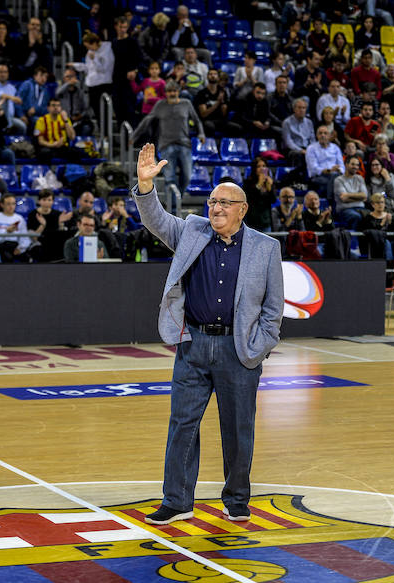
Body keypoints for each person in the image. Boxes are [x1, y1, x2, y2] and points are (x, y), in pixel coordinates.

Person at [132, 142, 283, 526]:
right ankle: (177, 500)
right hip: (194, 345)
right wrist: (146, 186)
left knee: (238, 430)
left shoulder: (266, 248)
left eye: (224, 203)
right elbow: (157, 220)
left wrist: (259, 346)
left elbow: (273, 308)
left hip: (239, 350)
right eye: (212, 201)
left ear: (242, 210)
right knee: (182, 425)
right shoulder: (192, 231)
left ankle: (237, 499)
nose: (215, 208)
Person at [131, 80, 204, 196]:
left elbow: (197, 120)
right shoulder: (160, 105)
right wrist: (134, 136)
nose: (172, 93)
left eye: (174, 91)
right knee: (169, 179)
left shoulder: (186, 104)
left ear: (178, 92)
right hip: (166, 145)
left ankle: (177, 199)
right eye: (169, 91)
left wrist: (201, 134)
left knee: (188, 177)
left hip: (184, 144)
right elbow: (147, 120)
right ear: (165, 93)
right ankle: (173, 205)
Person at [26, 189, 72, 262]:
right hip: (39, 243)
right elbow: (34, 238)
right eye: (44, 200)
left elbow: (61, 235)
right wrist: (42, 225)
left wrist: (61, 223)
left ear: (53, 201)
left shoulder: (58, 214)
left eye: (49, 200)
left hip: (54, 243)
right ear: (39, 201)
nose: (47, 202)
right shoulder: (32, 215)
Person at [0, 63, 25, 134]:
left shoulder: (12, 88)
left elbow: (17, 103)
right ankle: (8, 127)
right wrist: (12, 98)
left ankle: (11, 131)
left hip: (10, 117)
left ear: (8, 74)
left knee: (22, 127)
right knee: (5, 99)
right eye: (0, 72)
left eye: (5, 72)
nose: (3, 74)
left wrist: (21, 115)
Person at [34, 97, 78, 162]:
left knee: (75, 152)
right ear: (48, 108)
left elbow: (72, 137)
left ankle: (71, 168)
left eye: (58, 105)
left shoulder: (65, 119)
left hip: (62, 147)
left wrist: (66, 121)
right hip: (48, 146)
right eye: (53, 105)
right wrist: (53, 145)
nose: (56, 108)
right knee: (44, 153)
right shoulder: (41, 120)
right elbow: (40, 141)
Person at [305, 125, 344, 197]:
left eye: (325, 133)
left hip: (335, 175)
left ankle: (332, 200)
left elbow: (342, 166)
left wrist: (338, 169)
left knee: (338, 178)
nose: (323, 135)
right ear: (317, 136)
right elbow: (313, 168)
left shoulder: (335, 148)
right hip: (319, 177)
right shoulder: (311, 148)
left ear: (329, 136)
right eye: (320, 133)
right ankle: (332, 200)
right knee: (336, 181)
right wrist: (329, 170)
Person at [0, 193, 32, 262]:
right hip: (1, 246)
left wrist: (20, 248)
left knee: (28, 258)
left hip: (15, 246)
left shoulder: (19, 218)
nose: (11, 206)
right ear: (2, 205)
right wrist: (6, 232)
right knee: (7, 257)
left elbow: (25, 238)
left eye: (13, 204)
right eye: (8, 204)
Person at [333, 156, 369, 230]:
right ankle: (353, 237)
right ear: (346, 165)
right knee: (356, 217)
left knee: (372, 216)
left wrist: (348, 195)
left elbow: (365, 196)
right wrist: (360, 198)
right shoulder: (338, 180)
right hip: (345, 210)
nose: (355, 167)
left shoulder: (360, 178)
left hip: (361, 208)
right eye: (353, 164)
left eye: (357, 165)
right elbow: (344, 199)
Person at [57, 66, 93, 137]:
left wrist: (80, 116)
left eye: (72, 76)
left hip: (78, 121)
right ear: (64, 79)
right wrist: (68, 83)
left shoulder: (80, 92)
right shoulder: (61, 91)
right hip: (63, 120)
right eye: (68, 77)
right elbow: (57, 93)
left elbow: (86, 108)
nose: (70, 79)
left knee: (87, 127)